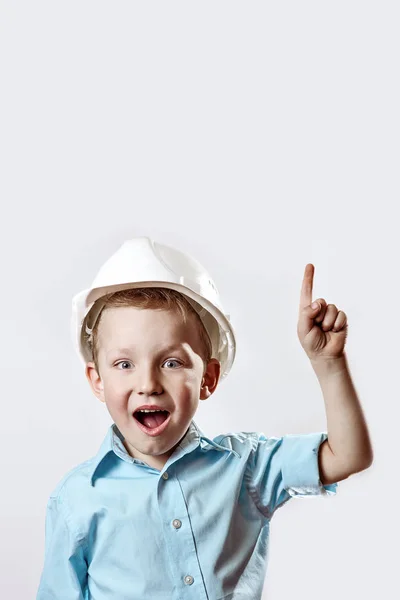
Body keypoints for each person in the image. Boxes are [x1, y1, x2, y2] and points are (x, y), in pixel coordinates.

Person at [36, 236, 373, 600]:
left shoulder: (245, 467)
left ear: (207, 379)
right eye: (124, 364)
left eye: (171, 362)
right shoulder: (77, 498)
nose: (148, 384)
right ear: (97, 381)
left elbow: (349, 455)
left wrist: (329, 363)